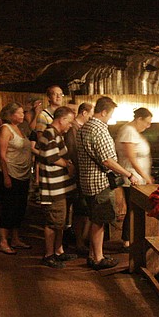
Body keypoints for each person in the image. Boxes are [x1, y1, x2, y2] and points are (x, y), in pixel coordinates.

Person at [77, 96, 140, 270]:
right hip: (99, 182)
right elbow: (107, 160)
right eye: (110, 114)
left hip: (87, 181)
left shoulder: (84, 127)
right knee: (100, 221)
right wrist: (128, 174)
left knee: (95, 218)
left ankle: (92, 254)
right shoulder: (99, 129)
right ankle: (98, 258)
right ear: (104, 111)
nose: (110, 118)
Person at [37, 106, 79, 268]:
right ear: (62, 119)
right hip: (54, 189)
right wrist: (68, 165)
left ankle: (58, 251)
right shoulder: (49, 133)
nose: (70, 126)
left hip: (61, 187)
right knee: (53, 222)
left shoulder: (57, 134)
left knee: (60, 222)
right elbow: (50, 156)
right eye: (69, 122)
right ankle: (49, 254)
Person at [0, 102, 34, 254]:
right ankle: (3, 241)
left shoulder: (20, 128)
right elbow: (2, 155)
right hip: (10, 173)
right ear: (10, 115)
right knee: (9, 208)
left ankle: (15, 238)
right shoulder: (5, 129)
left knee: (19, 208)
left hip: (22, 174)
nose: (22, 115)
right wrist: (6, 177)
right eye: (19, 113)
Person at [115, 107, 154, 250]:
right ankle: (127, 240)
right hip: (132, 178)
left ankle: (133, 239)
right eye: (147, 122)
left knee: (136, 209)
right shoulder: (128, 132)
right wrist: (145, 176)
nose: (148, 126)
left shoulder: (133, 132)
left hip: (138, 178)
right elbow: (131, 157)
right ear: (139, 119)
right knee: (133, 209)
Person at [64, 102, 94, 255]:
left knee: (84, 209)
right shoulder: (74, 129)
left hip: (82, 173)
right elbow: (73, 152)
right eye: (91, 113)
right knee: (80, 209)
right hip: (78, 174)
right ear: (84, 113)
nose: (92, 116)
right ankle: (79, 242)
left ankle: (82, 240)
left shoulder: (79, 128)